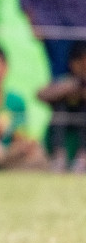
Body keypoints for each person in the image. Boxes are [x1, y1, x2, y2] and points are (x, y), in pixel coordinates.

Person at [39, 41, 86, 173]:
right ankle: (59, 157)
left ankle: (83, 159)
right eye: (81, 63)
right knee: (60, 108)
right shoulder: (66, 80)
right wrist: (68, 89)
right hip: (62, 126)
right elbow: (40, 94)